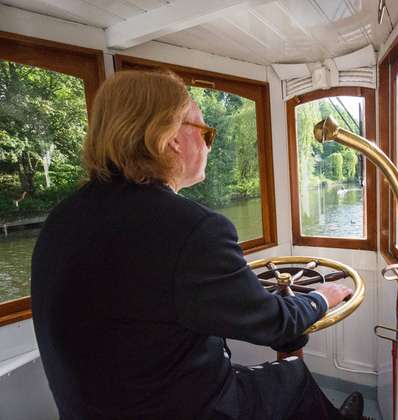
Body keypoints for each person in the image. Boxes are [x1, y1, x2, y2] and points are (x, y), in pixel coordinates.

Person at [30, 70, 366, 420]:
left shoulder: (62, 219)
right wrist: (320, 297)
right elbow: (275, 324)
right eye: (206, 132)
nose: (208, 144)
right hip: (182, 407)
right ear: (171, 137)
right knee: (292, 378)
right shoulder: (193, 229)